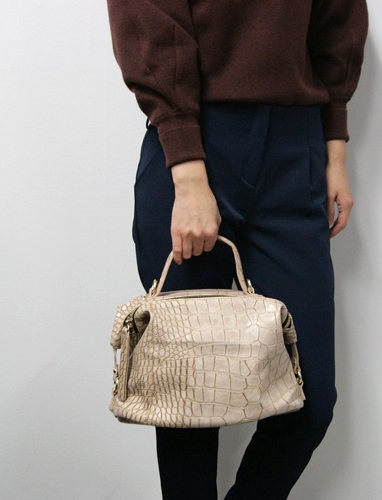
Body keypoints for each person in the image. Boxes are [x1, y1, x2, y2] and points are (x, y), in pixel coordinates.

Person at [106, 0, 368, 498]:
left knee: (311, 402)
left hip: (296, 150)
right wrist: (189, 176)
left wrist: (334, 152)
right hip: (194, 146)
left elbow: (338, 23)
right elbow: (149, 23)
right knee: (187, 404)